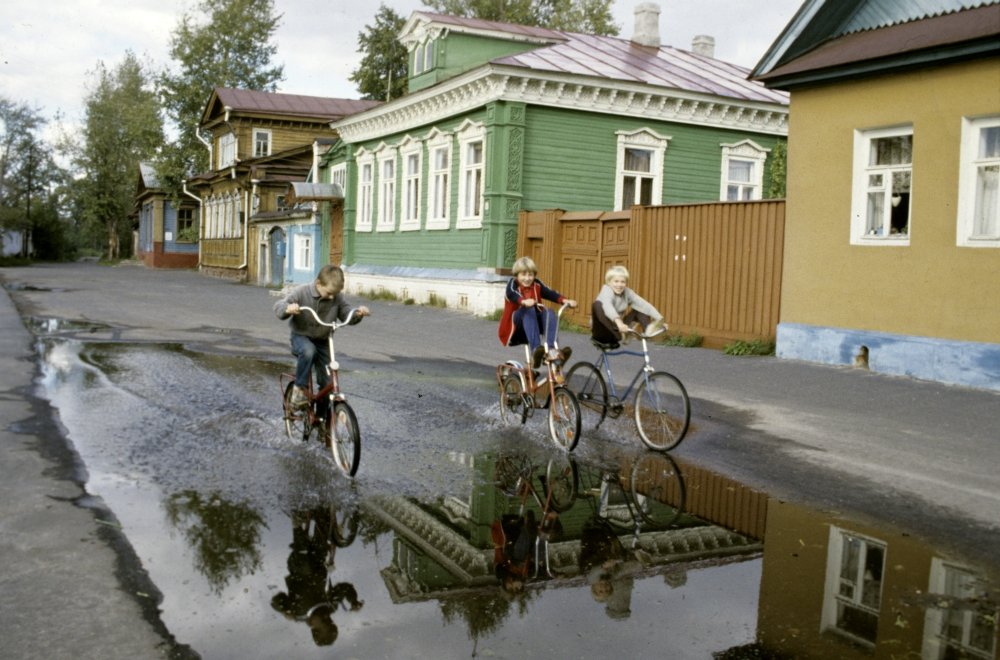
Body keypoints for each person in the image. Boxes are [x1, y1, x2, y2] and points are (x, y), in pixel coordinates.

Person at [274, 265, 369, 408]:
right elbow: (279, 305)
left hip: (323, 340)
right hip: (301, 337)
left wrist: (357, 314)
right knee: (309, 351)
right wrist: (288, 309)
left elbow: (345, 313)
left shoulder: (336, 297)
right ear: (319, 284)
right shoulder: (302, 292)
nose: (332, 297)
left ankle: (323, 421)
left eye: (335, 294)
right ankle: (299, 389)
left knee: (328, 382)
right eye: (329, 293)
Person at [498, 256, 577, 368]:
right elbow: (511, 294)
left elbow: (550, 293)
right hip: (516, 327)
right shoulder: (512, 284)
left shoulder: (537, 284)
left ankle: (551, 351)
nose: (527, 278)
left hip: (533, 324)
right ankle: (535, 351)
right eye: (523, 274)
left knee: (549, 311)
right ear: (517, 275)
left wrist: (565, 300)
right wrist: (523, 301)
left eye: (530, 275)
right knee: (529, 310)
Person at [591, 265, 664, 347]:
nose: (619, 285)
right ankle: (622, 334)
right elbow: (607, 306)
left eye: (623, 282)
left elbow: (643, 304)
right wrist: (619, 323)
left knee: (640, 309)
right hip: (602, 330)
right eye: (616, 281)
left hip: (618, 329)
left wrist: (660, 319)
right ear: (609, 282)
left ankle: (648, 331)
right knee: (597, 305)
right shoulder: (606, 290)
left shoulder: (627, 292)